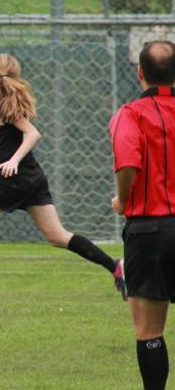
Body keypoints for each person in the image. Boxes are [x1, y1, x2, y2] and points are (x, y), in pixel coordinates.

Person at [0, 53, 124, 303]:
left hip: (13, 179)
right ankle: (115, 266)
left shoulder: (0, 99)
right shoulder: (10, 98)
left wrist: (14, 161)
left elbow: (32, 134)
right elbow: (7, 144)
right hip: (32, 178)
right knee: (57, 236)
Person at [109, 40, 175, 390]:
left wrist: (122, 200)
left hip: (149, 230)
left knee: (150, 331)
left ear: (140, 73)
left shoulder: (130, 114)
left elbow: (128, 163)